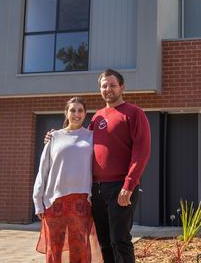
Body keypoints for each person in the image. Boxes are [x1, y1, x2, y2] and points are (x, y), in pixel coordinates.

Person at [46, 69, 151, 263]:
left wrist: (129, 185)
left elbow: (142, 152)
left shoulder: (134, 113)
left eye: (112, 85)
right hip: (96, 189)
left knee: (120, 240)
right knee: (103, 242)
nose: (108, 89)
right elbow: (78, 139)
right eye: (104, 86)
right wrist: (55, 136)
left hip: (120, 187)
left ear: (122, 87)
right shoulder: (97, 118)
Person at [33, 97, 97, 263]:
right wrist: (38, 201)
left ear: (85, 113)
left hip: (82, 201)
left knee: (80, 248)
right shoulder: (54, 137)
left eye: (80, 110)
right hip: (55, 201)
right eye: (72, 110)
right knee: (55, 248)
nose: (76, 114)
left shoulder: (92, 137)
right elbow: (43, 170)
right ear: (66, 113)